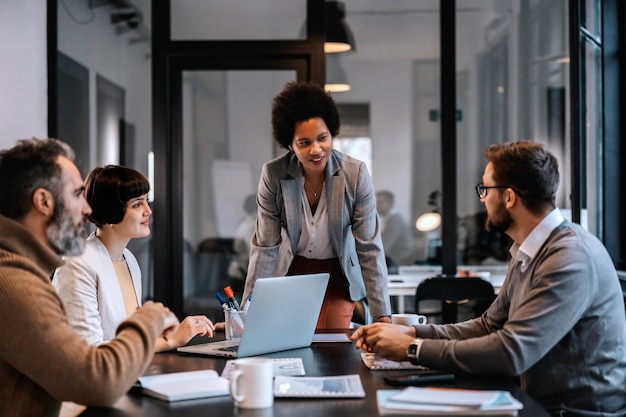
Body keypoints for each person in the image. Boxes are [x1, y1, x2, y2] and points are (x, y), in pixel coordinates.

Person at [351, 141, 626, 416]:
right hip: (534, 403)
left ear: (508, 197)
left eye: (485, 189)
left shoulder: (569, 257)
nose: (481, 199)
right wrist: (411, 331)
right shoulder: (527, 250)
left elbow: (511, 352)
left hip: (574, 413)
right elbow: (488, 326)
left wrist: (413, 348)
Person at [0, 138, 180, 417]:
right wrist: (150, 319)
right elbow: (96, 381)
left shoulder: (22, 271)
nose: (86, 210)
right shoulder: (13, 282)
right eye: (75, 195)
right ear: (43, 201)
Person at [242, 81, 391, 329]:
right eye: (304, 142)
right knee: (283, 339)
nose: (316, 149)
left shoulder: (355, 174)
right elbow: (265, 247)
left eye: (323, 138)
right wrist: (248, 310)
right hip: (291, 272)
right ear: (290, 144)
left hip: (337, 273)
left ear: (332, 133)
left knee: (331, 340)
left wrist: (382, 315)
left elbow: (369, 247)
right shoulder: (274, 174)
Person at [53, 165, 215, 350]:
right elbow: (88, 350)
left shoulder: (129, 259)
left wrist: (175, 331)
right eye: (137, 204)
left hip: (130, 370)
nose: (148, 211)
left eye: (146, 201)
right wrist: (170, 342)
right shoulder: (77, 264)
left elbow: (126, 336)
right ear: (111, 212)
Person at [376, 190, 415, 265]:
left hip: (399, 261)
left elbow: (384, 247)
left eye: (380, 202)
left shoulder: (395, 221)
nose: (376, 206)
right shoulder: (391, 219)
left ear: (390, 203)